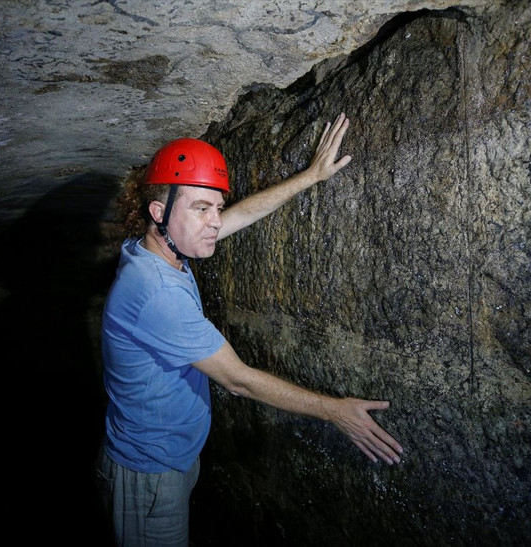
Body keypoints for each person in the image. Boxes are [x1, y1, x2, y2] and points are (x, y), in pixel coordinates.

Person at [97, 113, 403, 547]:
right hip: (147, 473)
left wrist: (310, 177)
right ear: (158, 212)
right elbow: (238, 380)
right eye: (201, 208)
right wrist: (335, 412)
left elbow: (238, 216)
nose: (215, 221)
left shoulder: (155, 248)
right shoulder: (156, 291)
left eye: (216, 207)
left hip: (170, 456)